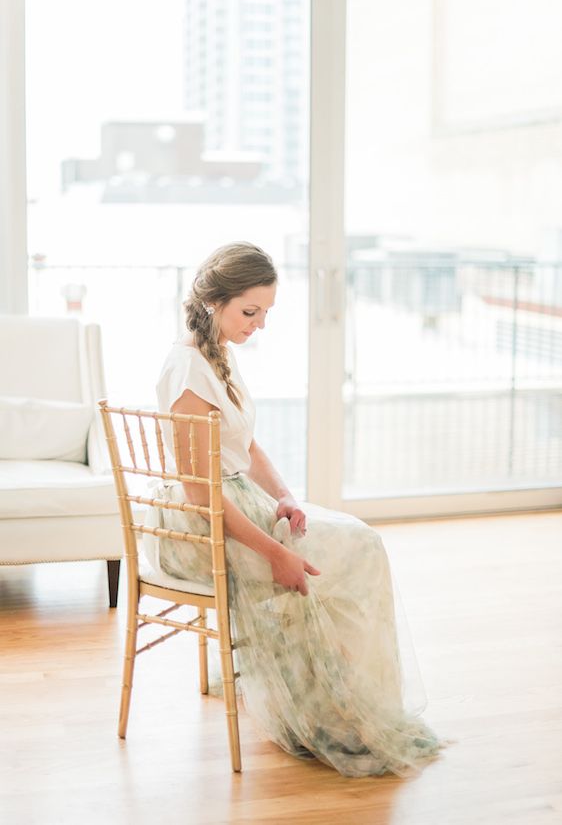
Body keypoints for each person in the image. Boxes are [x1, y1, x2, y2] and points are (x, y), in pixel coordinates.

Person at [143, 241, 449, 778]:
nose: (258, 325)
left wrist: (284, 494)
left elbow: (247, 446)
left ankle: (344, 704)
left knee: (356, 543)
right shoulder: (189, 370)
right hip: (200, 527)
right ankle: (333, 710)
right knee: (354, 550)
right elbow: (200, 495)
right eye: (249, 311)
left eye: (265, 313)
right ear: (214, 301)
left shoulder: (217, 354)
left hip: (233, 500)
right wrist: (275, 554)